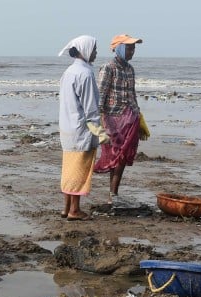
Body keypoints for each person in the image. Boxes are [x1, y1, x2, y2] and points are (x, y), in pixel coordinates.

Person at [58, 35, 109, 221]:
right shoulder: (85, 74)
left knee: (69, 169)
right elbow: (91, 109)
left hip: (67, 128)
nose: (96, 52)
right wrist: (101, 133)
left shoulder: (69, 72)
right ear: (85, 50)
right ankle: (74, 210)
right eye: (94, 49)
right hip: (81, 130)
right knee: (79, 171)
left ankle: (66, 208)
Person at [94, 34, 147, 208]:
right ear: (120, 48)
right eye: (129, 48)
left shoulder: (130, 69)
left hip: (129, 119)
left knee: (122, 158)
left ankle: (113, 194)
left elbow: (132, 95)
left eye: (134, 48)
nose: (132, 51)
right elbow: (100, 96)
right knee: (114, 157)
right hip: (113, 119)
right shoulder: (108, 68)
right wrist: (101, 121)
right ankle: (112, 194)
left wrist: (139, 118)